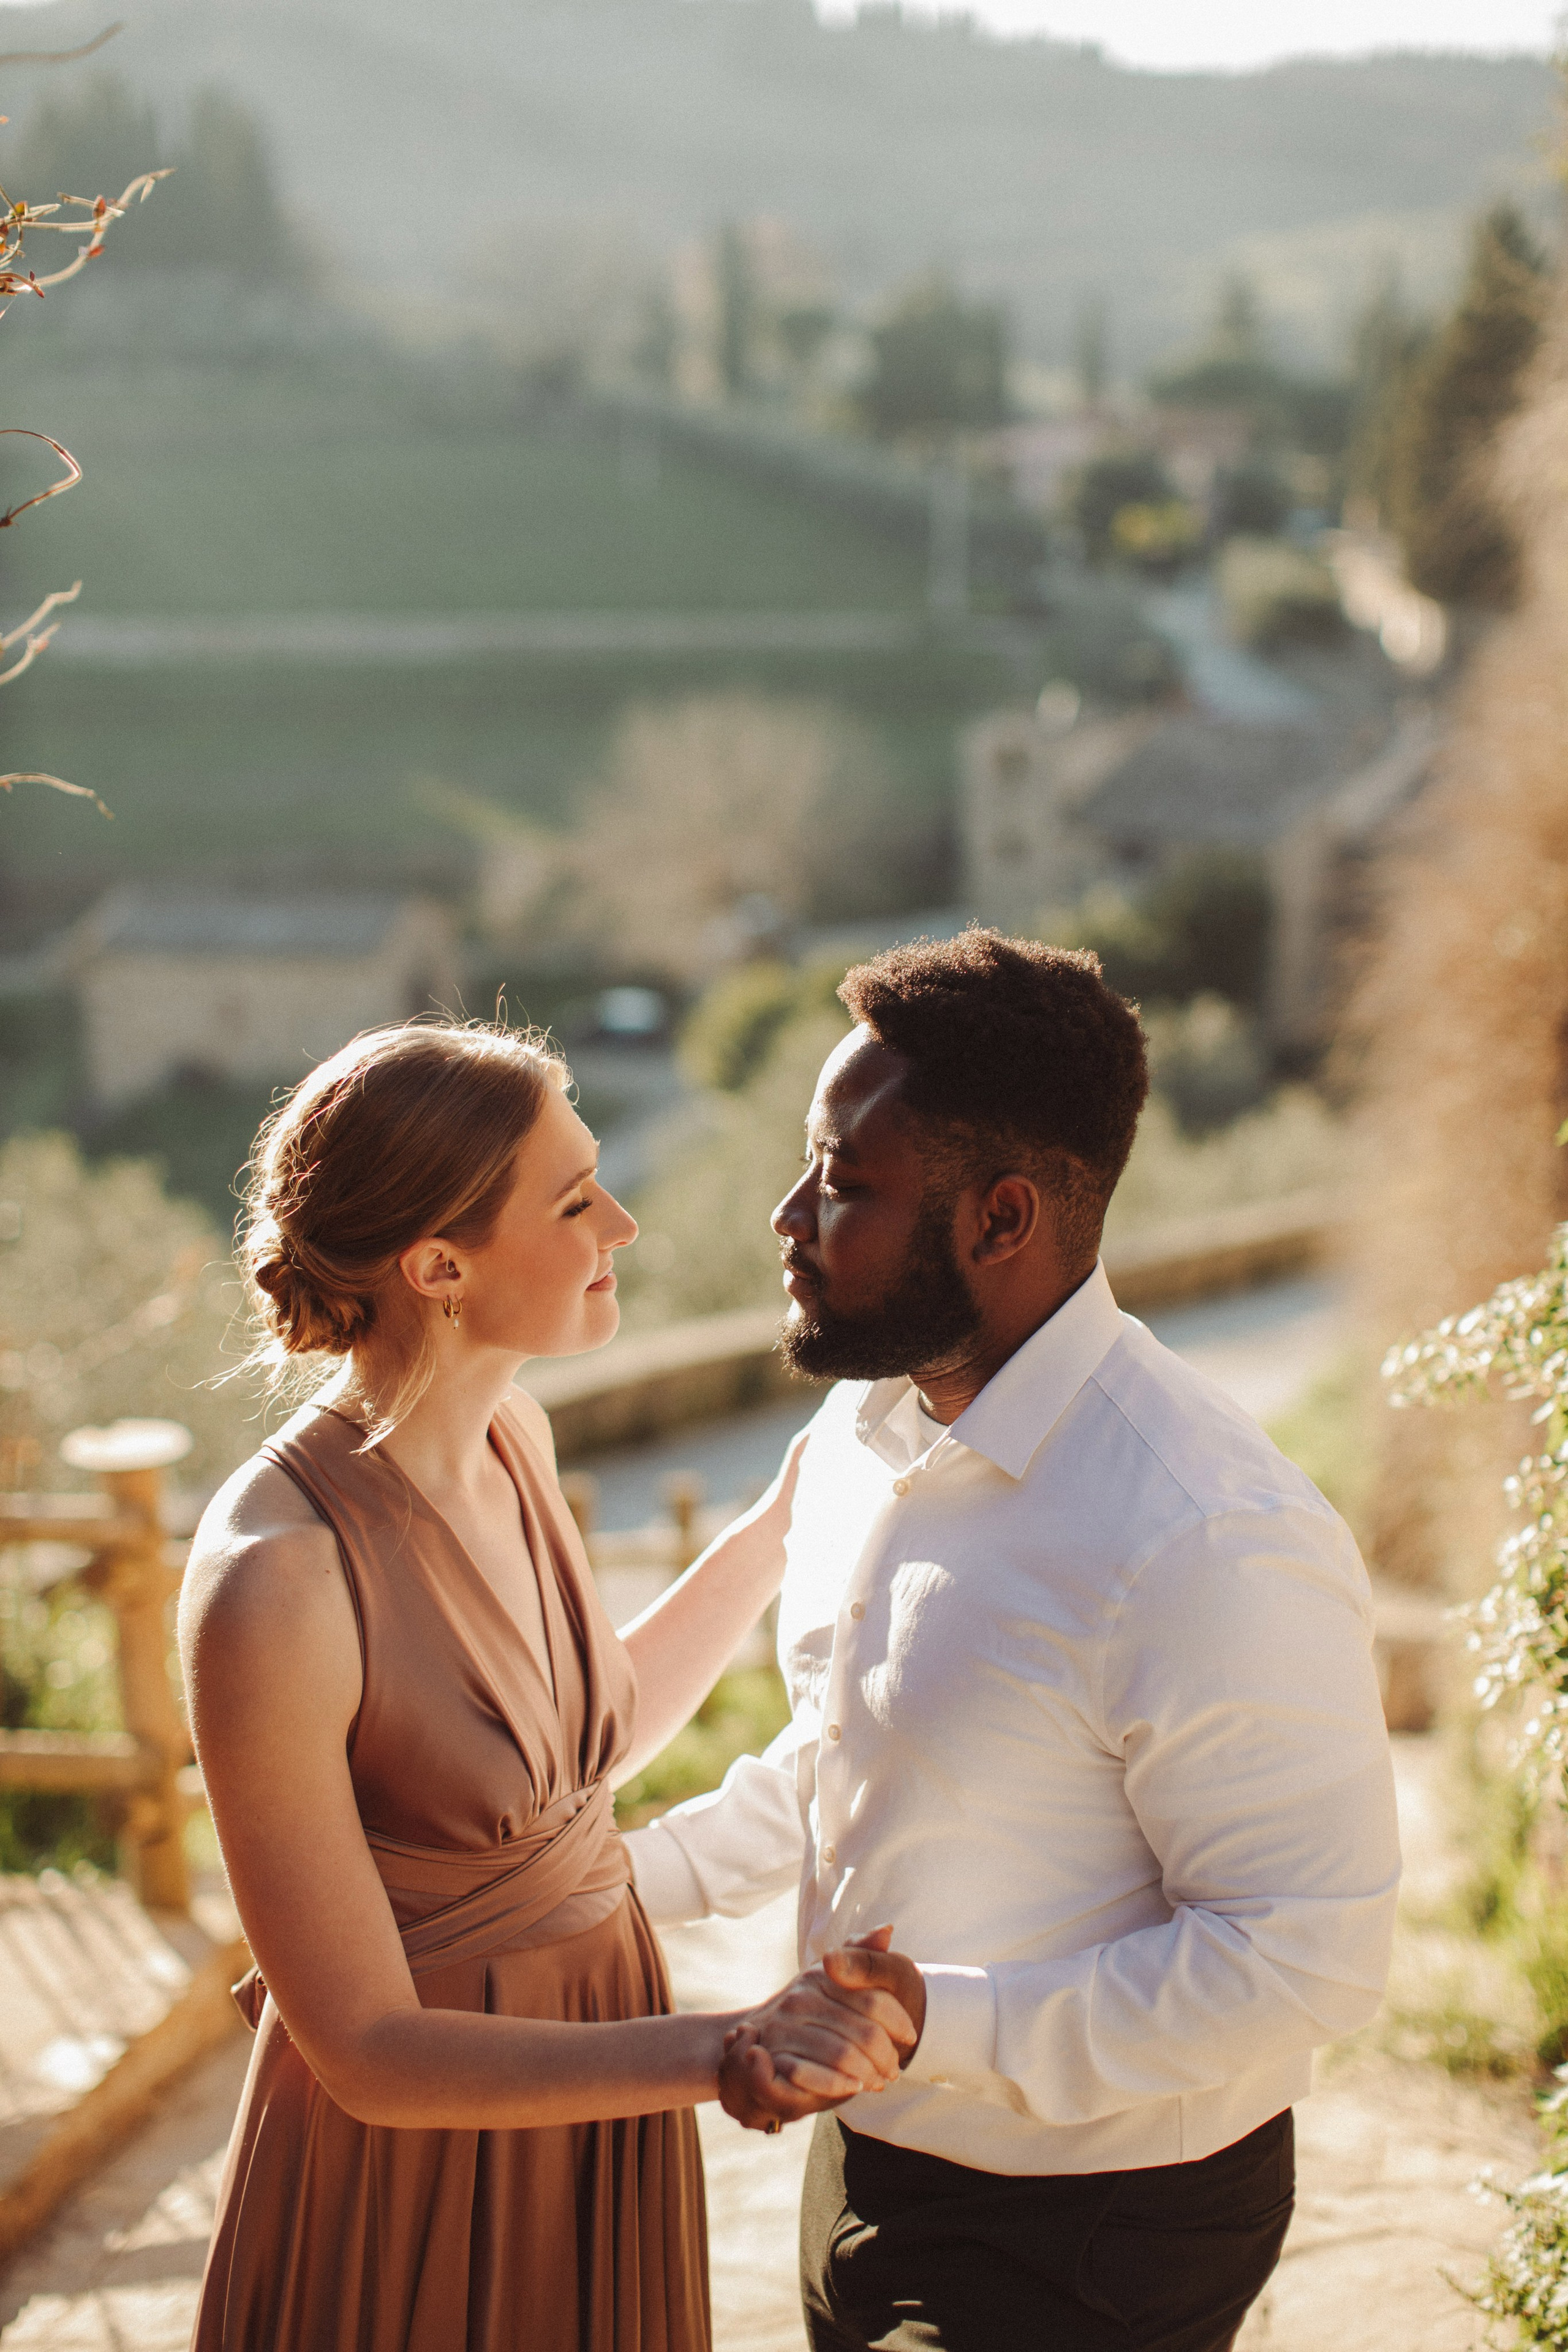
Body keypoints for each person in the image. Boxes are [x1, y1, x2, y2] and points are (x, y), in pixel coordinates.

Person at [632, 930, 1403, 2352]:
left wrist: (935, 2021)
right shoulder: (863, 1430)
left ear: (998, 1222)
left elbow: (1306, 1956)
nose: (787, 1217)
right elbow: (850, 1756)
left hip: (1104, 2228)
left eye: (845, 1184)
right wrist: (610, 1893)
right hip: (867, 2157)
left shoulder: (1203, 1535)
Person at [180, 1019, 916, 2352]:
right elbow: (361, 2046)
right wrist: (721, 2049)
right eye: (577, 1199)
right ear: (439, 1265)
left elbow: (574, 1750)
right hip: (417, 2157)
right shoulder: (274, 1576)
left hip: (589, 2077)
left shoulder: (514, 1429)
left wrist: (774, 1532)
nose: (622, 1224)